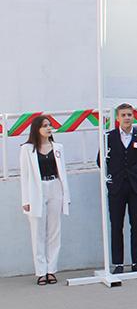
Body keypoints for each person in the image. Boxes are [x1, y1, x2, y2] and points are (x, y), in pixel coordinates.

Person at [98, 103, 137, 274]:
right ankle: (118, 263)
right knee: (116, 225)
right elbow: (101, 160)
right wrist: (114, 175)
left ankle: (136, 262)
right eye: (123, 115)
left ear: (133, 116)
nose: (127, 118)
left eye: (129, 114)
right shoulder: (109, 137)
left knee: (136, 224)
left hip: (136, 187)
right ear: (117, 118)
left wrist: (135, 173)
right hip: (117, 187)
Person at [19, 116, 71, 285]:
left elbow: (62, 173)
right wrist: (25, 199)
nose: (49, 128)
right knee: (38, 231)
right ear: (37, 129)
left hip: (55, 186)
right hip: (37, 190)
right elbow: (25, 176)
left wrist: (66, 196)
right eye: (44, 126)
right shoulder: (27, 149)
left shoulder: (58, 147)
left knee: (54, 231)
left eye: (50, 125)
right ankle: (41, 271)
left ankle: (51, 270)